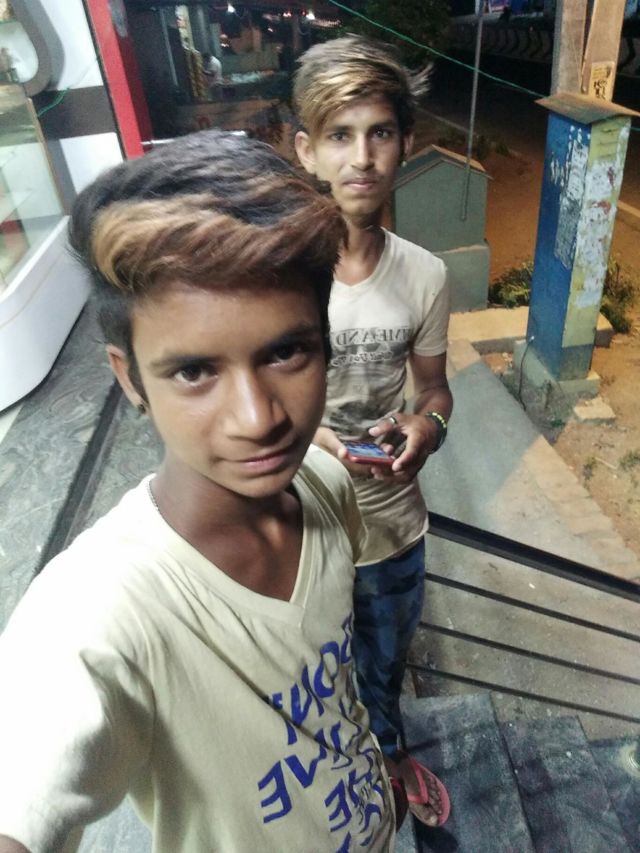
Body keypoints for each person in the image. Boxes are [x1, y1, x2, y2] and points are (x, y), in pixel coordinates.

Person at [0, 131, 398, 852]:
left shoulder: (328, 484)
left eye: (286, 352)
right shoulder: (99, 615)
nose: (257, 418)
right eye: (193, 372)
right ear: (129, 379)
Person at [293, 36, 453, 827]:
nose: (362, 157)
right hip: (299, 532)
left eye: (380, 132)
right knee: (310, 683)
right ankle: (335, 782)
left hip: (392, 530)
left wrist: (427, 425)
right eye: (340, 134)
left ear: (405, 143)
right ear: (307, 150)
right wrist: (306, 440)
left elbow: (436, 390)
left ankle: (388, 760)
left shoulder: (424, 274)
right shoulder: (277, 275)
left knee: (383, 671)